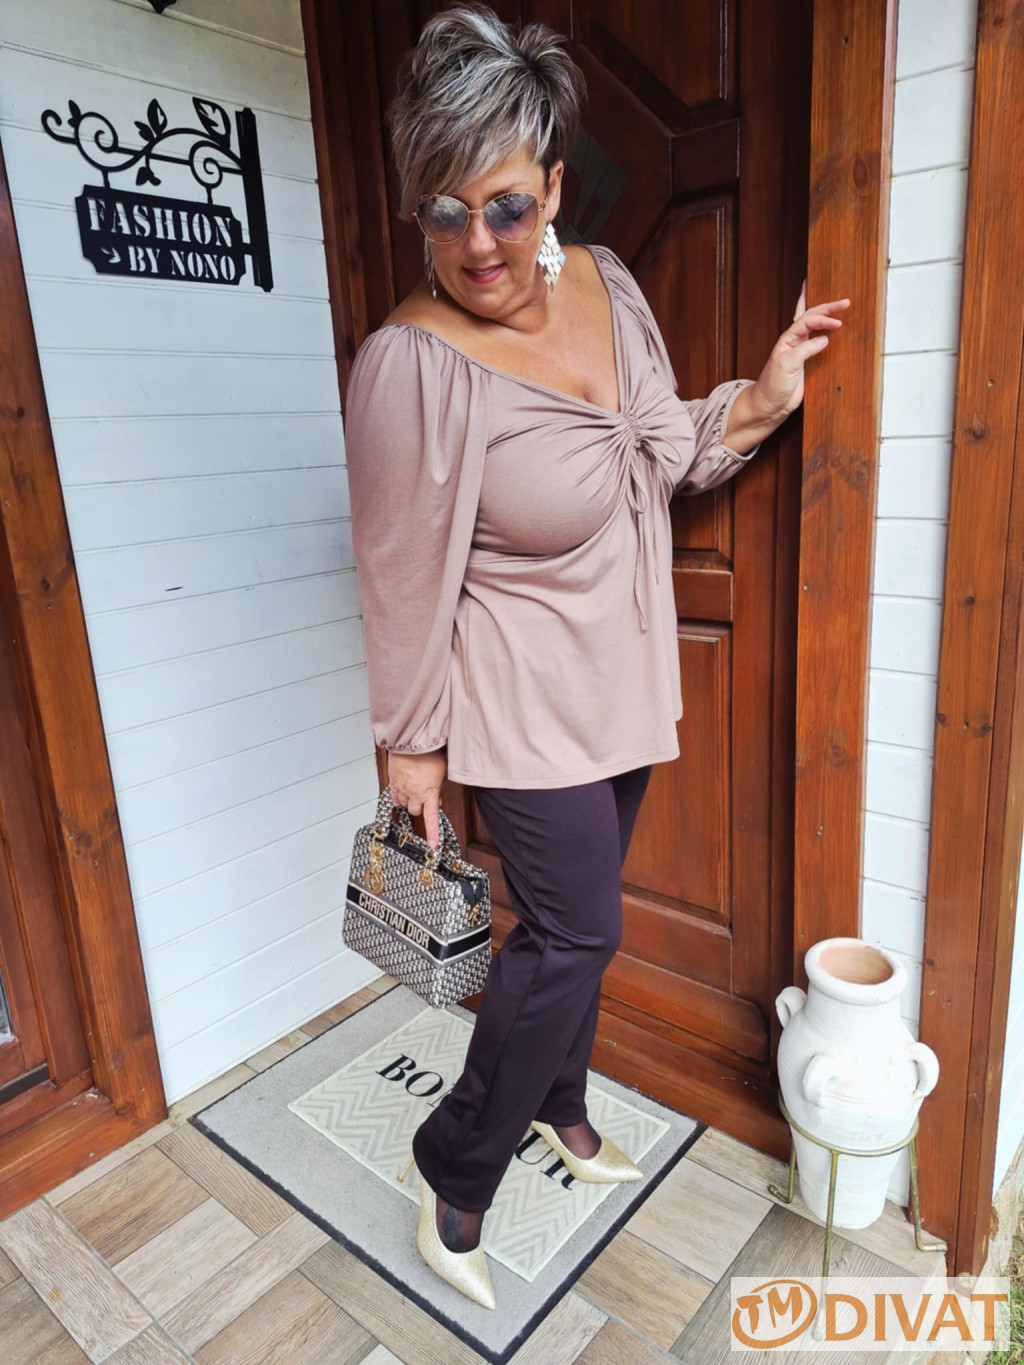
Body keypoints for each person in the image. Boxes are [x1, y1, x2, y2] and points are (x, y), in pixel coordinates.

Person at [343, 3, 849, 1311]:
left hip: (624, 683)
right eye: (443, 212)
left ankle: (561, 1106)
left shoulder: (611, 287)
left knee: (578, 926)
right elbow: (399, 576)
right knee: (576, 932)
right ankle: (456, 1164)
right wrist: (410, 747)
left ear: (555, 188)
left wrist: (763, 398)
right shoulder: (412, 367)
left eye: (506, 206)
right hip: (516, 701)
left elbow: (662, 445)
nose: (478, 243)